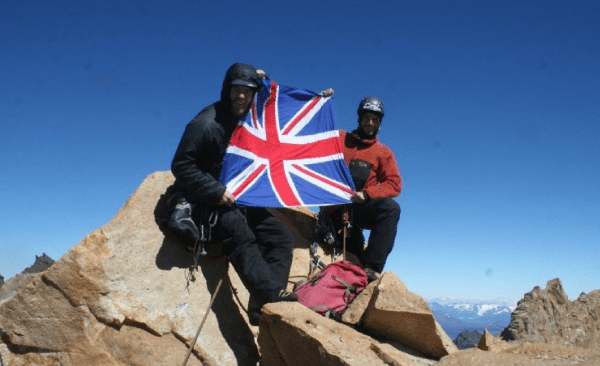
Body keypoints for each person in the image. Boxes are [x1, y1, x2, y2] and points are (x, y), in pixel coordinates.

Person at [170, 63, 297, 324]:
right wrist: (215, 191)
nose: (241, 96)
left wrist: (264, 80)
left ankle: (258, 308)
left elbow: (270, 105)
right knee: (241, 233)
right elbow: (181, 165)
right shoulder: (206, 123)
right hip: (207, 200)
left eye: (247, 91)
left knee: (281, 238)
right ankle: (271, 297)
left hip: (241, 198)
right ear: (226, 89)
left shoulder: (248, 117)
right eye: (236, 89)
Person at [336, 96, 402, 282]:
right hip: (334, 208)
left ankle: (372, 269)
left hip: (359, 210)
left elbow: (394, 183)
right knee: (354, 251)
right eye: (366, 118)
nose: (370, 123)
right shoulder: (340, 139)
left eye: (375, 120)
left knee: (390, 209)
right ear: (359, 119)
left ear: (379, 123)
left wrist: (367, 194)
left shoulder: (383, 153)